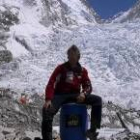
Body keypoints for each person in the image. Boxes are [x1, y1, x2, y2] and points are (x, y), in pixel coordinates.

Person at [41, 45, 102, 140]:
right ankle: (47, 138)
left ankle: (92, 131)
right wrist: (48, 99)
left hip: (75, 95)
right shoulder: (61, 68)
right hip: (60, 95)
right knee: (47, 110)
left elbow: (88, 85)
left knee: (97, 101)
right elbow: (51, 83)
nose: (71, 58)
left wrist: (84, 93)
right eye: (69, 56)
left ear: (78, 57)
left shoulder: (82, 71)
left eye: (73, 56)